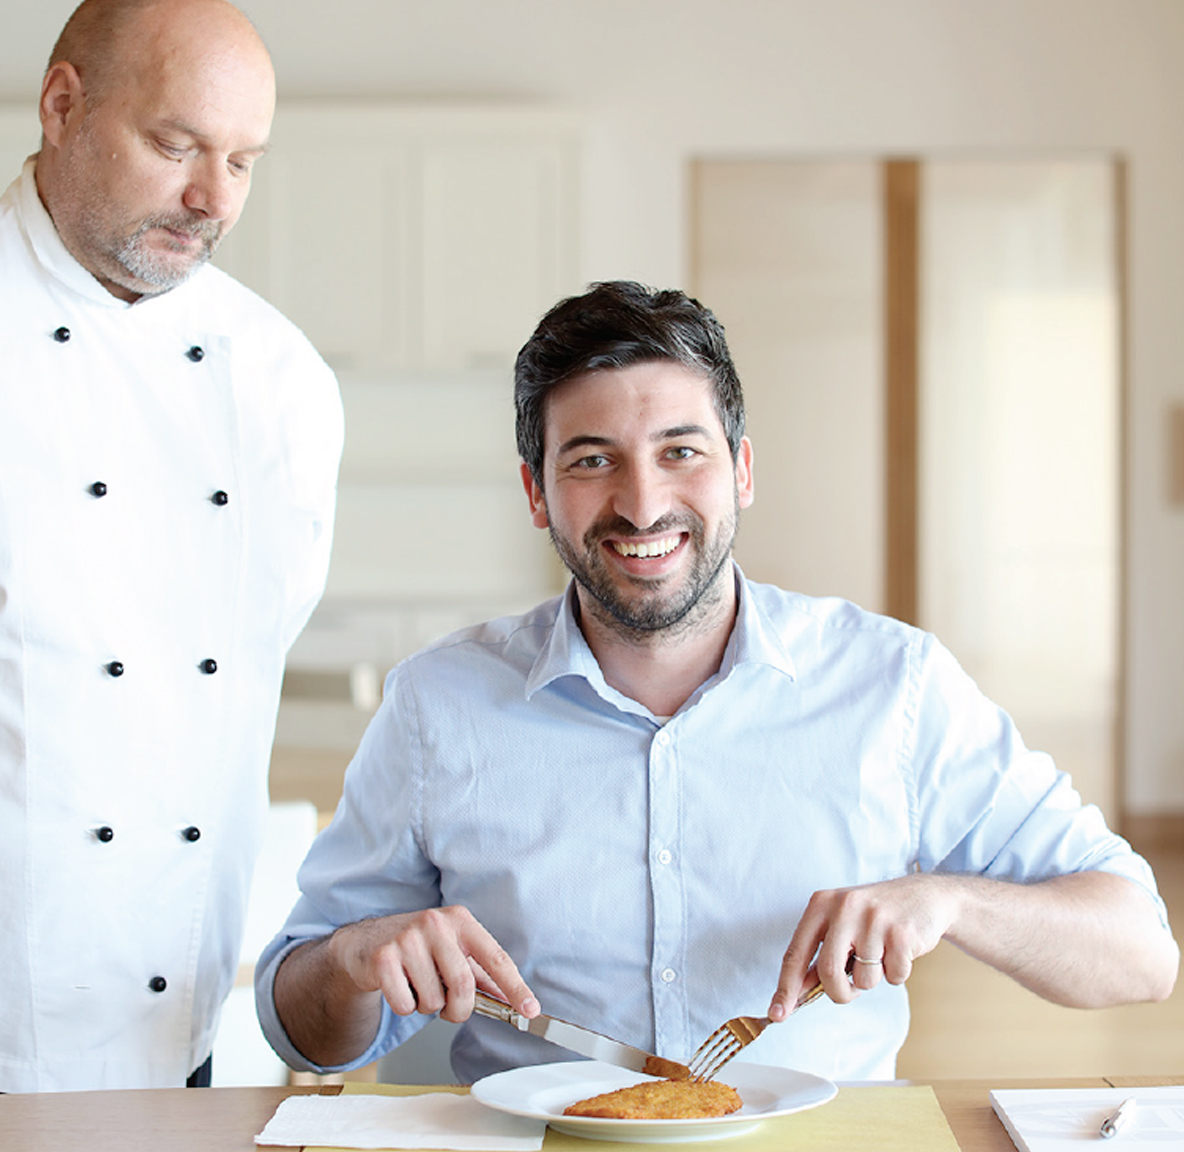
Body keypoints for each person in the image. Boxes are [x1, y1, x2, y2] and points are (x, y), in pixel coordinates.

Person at [256, 281, 1176, 1085]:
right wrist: (353, 957)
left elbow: (1140, 954)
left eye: (681, 451)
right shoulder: (435, 708)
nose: (643, 503)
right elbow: (301, 1033)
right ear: (536, 492)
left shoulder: (895, 687)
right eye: (590, 459)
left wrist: (951, 898)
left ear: (740, 470)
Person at [0, 0, 342, 1091]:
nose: (212, 201)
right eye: (176, 145)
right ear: (64, 106)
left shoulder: (282, 383)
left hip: (168, 1039)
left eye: (242, 162)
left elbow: (246, 661)